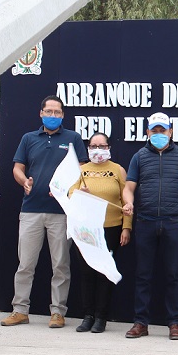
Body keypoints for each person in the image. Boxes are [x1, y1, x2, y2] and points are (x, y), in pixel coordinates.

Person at [3, 95, 88, 328]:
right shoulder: (29, 138)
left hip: (61, 212)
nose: (52, 116)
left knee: (60, 264)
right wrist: (24, 182)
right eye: (48, 112)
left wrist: (68, 188)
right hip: (31, 210)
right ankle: (20, 310)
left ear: (63, 115)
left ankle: (58, 312)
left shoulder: (73, 138)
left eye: (57, 112)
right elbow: (17, 167)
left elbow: (82, 170)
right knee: (25, 264)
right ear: (41, 113)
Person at [122, 112, 178, 340]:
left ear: (170, 132)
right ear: (147, 132)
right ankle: (140, 323)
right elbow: (129, 187)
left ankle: (175, 323)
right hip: (145, 221)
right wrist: (129, 202)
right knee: (143, 275)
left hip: (174, 222)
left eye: (162, 130)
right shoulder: (138, 156)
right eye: (154, 130)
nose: (158, 134)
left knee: (174, 275)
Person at [73, 132, 132, 334]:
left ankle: (101, 317)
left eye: (102, 146)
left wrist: (127, 226)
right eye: (93, 146)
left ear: (108, 148)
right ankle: (88, 315)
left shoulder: (118, 170)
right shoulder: (81, 170)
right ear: (88, 148)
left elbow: (127, 200)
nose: (97, 150)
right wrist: (80, 193)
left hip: (111, 228)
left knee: (104, 273)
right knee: (87, 272)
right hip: (86, 230)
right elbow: (70, 194)